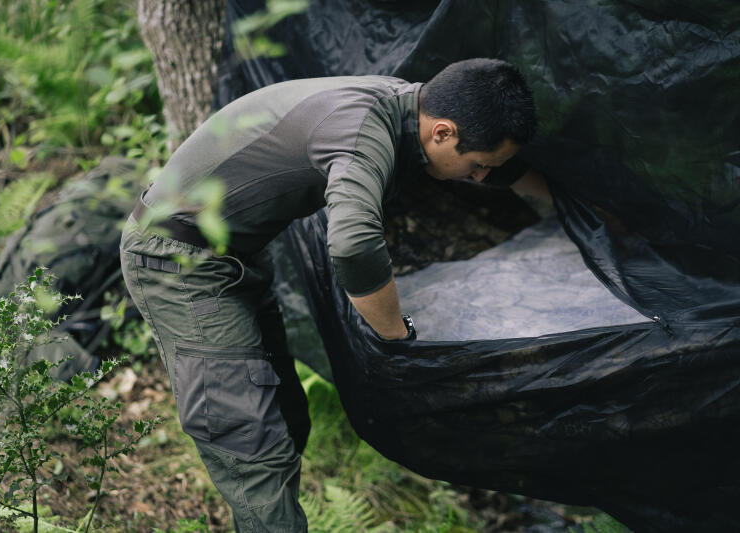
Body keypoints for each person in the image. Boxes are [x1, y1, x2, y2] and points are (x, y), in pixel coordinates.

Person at [119, 58, 549, 532]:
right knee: (251, 444)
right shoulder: (364, 131)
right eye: (477, 168)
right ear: (444, 133)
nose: (481, 179)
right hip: (178, 261)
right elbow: (353, 243)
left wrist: (580, 210)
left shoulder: (406, 105)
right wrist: (395, 337)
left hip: (232, 253)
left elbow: (505, 167)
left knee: (285, 418)